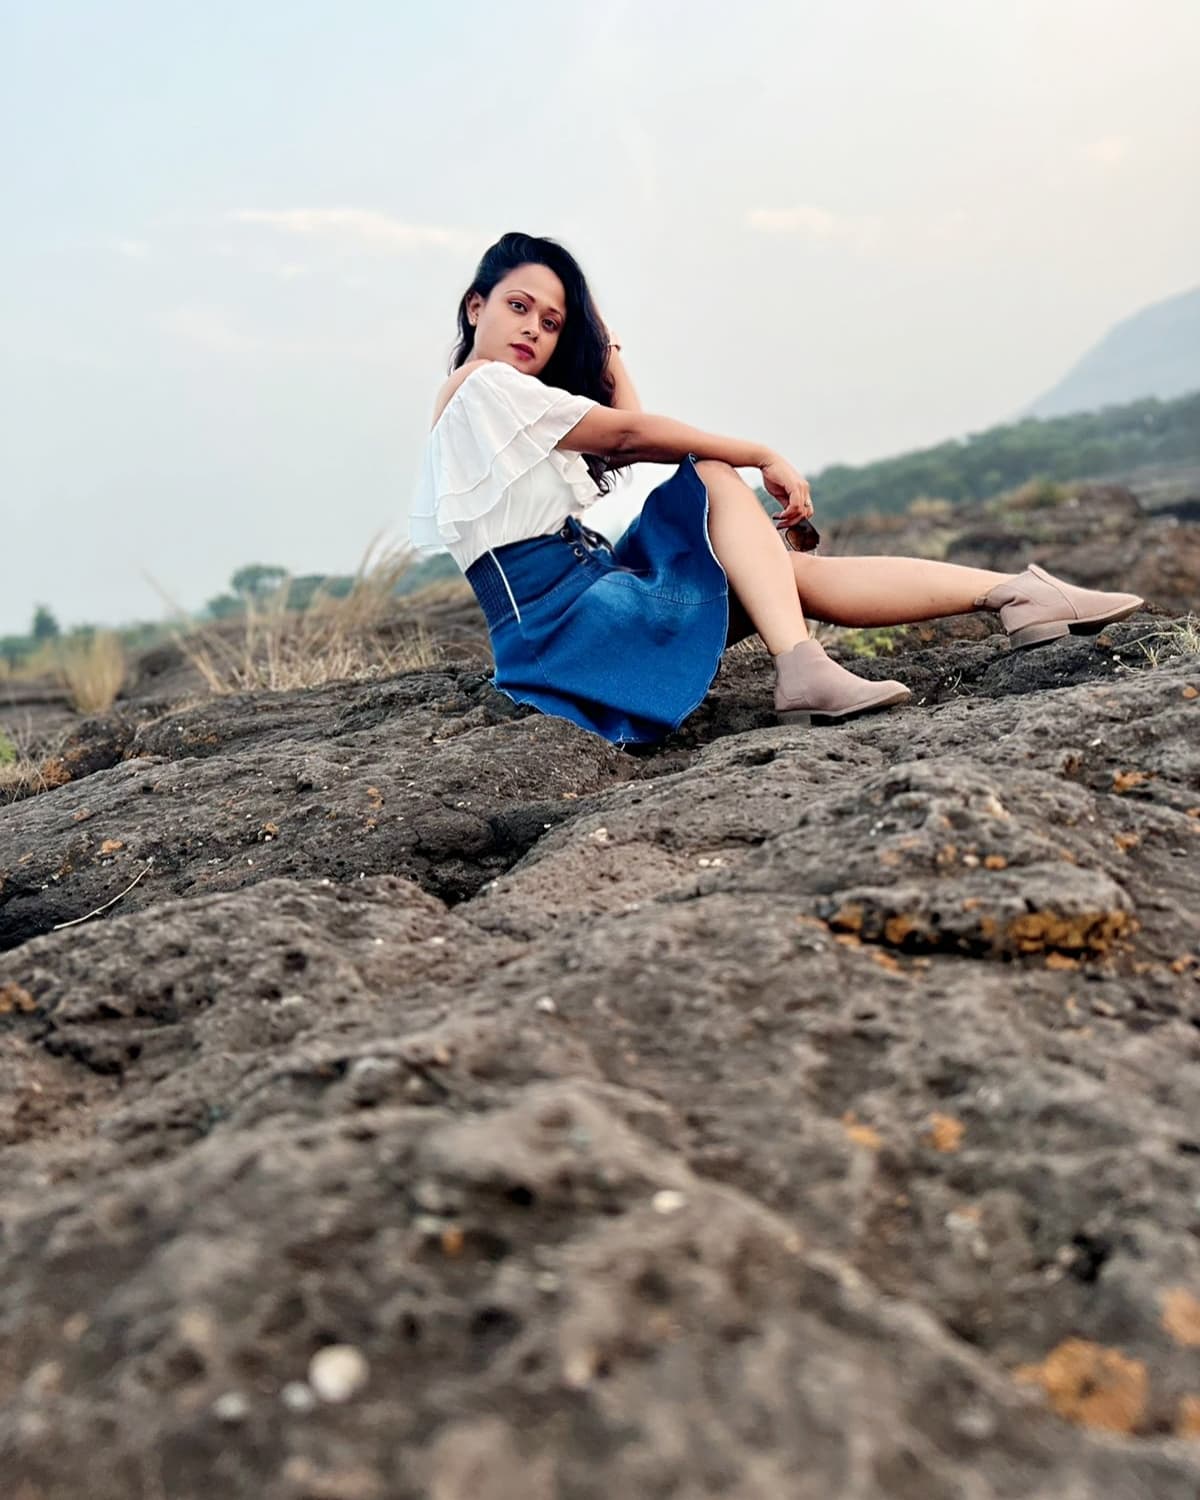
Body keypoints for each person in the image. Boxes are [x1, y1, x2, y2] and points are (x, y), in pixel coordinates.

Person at [408, 232, 1143, 745]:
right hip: (567, 628)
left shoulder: (504, 403)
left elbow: (625, 423)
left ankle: (1016, 595)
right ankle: (804, 667)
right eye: (519, 307)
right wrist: (761, 453)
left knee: (777, 572)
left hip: (589, 608)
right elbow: (631, 437)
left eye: (552, 321)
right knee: (713, 473)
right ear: (476, 306)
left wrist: (601, 340)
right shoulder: (483, 387)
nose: (535, 330)